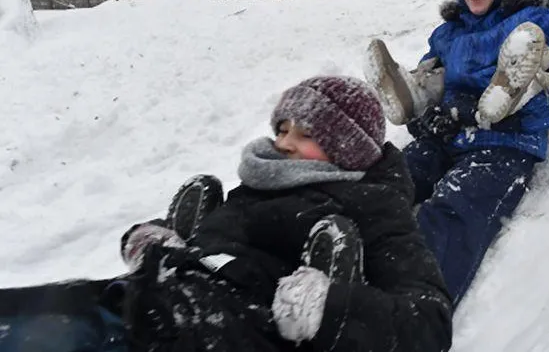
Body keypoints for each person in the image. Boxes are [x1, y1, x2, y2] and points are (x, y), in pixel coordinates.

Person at [0, 76, 453, 352]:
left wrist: (327, 307)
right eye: (282, 128)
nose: (284, 143)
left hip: (240, 328)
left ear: (346, 149)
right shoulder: (262, 181)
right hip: (168, 297)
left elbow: (429, 322)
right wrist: (161, 246)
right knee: (54, 313)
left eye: (305, 133)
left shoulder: (375, 206)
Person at [365, 0, 549, 307]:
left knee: (451, 211)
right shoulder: (449, 31)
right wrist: (426, 119)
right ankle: (415, 96)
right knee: (386, 186)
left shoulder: (538, 20)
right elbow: (436, 67)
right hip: (448, 133)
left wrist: (508, 119)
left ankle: (411, 311)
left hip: (505, 142)